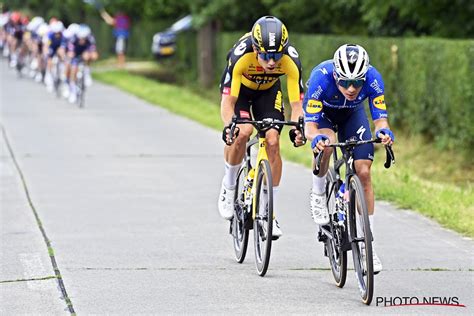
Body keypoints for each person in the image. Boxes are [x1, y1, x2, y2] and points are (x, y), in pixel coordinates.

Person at [303, 44, 395, 272]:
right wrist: (315, 138)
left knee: (363, 171)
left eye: (357, 82)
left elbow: (380, 120)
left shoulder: (373, 78)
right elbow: (310, 127)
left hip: (353, 115)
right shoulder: (320, 78)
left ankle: (368, 247)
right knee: (326, 145)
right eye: (344, 82)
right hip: (324, 115)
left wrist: (384, 131)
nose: (352, 88)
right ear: (336, 76)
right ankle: (317, 192)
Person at [218, 16, 305, 239]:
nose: (272, 62)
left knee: (274, 140)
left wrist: (299, 127)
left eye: (277, 56)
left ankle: (269, 211)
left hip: (268, 92)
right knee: (243, 132)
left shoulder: (291, 60)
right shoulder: (240, 55)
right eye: (266, 56)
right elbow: (228, 102)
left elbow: (297, 105)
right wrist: (229, 126)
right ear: (256, 48)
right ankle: (228, 186)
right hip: (241, 92)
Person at [67, 24, 98, 103]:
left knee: (88, 56)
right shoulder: (73, 38)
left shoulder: (90, 38)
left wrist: (93, 55)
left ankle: (87, 72)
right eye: (81, 38)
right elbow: (70, 50)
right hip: (76, 53)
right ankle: (73, 91)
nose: (82, 40)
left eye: (84, 38)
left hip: (85, 53)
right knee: (73, 70)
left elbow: (93, 49)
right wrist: (71, 53)